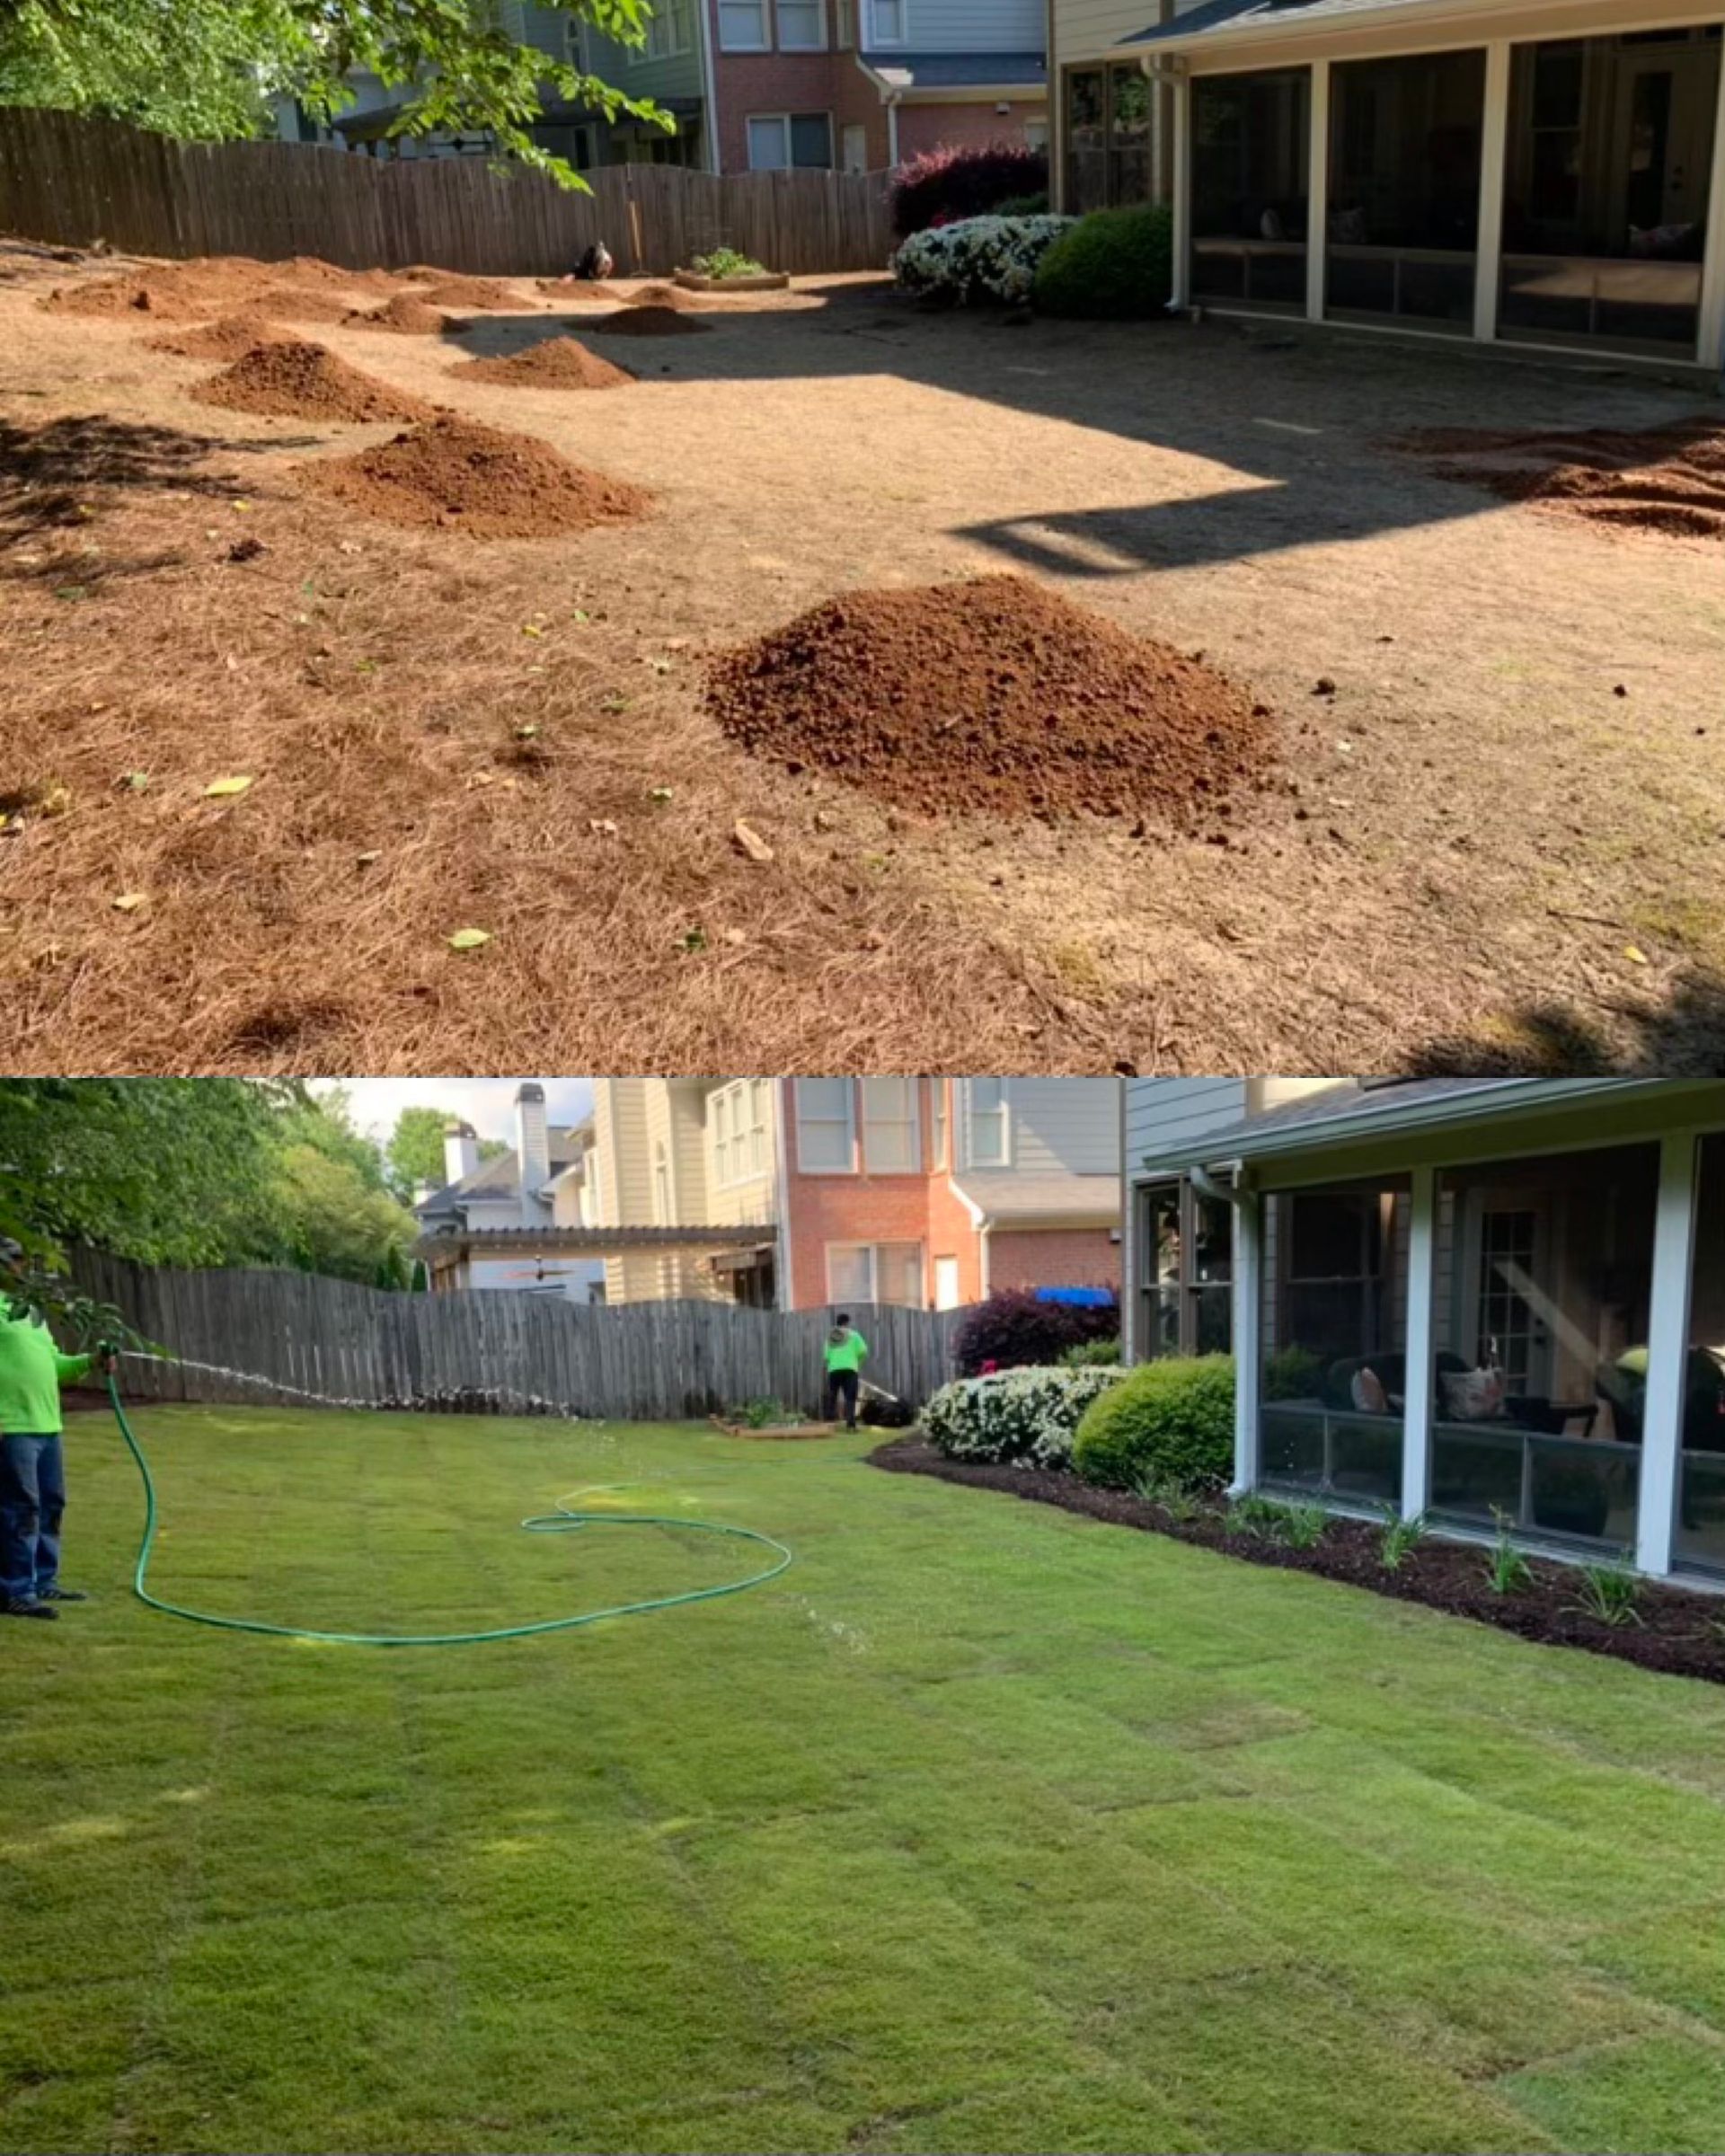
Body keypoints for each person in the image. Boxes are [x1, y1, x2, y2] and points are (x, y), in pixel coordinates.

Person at [0, 1240, 115, 1621]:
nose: (16, 1267)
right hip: (11, 1426)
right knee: (21, 1509)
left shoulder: (29, 1313)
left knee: (51, 1504)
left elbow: (56, 1366)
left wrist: (92, 1360)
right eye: (10, 1260)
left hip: (48, 1425)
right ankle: (15, 1590)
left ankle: (43, 1579)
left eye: (18, 1260)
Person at [823, 1312, 868, 1430]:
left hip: (834, 1369)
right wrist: (857, 1362)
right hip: (850, 1369)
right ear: (847, 1323)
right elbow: (864, 1350)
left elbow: (826, 1356)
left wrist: (834, 1362)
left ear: (837, 1323)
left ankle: (830, 1422)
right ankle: (851, 1424)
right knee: (850, 1397)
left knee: (833, 1395)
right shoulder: (854, 1335)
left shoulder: (831, 1337)